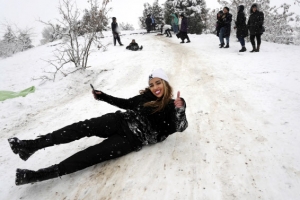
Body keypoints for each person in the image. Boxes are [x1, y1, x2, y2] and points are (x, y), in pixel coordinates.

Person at [8, 69, 188, 186]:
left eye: (158, 83)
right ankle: (31, 145)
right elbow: (125, 103)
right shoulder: (145, 97)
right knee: (80, 128)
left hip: (131, 140)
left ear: (165, 84)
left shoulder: (173, 106)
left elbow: (180, 127)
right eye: (151, 84)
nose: (154, 87)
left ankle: (36, 176)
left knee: (90, 155)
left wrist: (180, 110)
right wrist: (103, 96)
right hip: (119, 120)